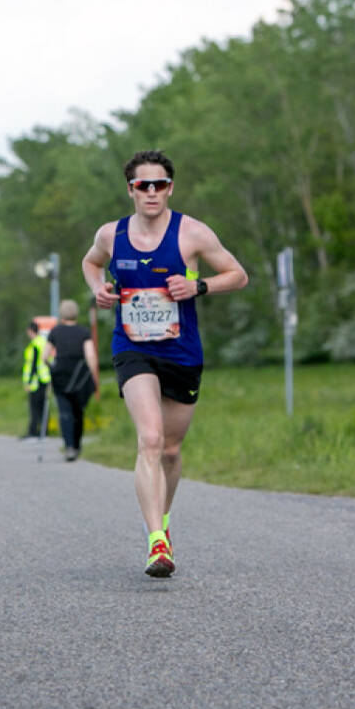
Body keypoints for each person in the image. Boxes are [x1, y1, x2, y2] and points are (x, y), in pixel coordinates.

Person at [81, 150, 248, 577]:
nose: (151, 192)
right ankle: (156, 542)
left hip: (182, 352)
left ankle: (164, 522)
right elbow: (90, 262)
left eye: (159, 185)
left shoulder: (191, 232)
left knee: (171, 451)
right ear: (131, 190)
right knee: (150, 439)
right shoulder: (111, 235)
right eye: (143, 185)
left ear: (170, 188)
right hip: (132, 347)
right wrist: (98, 289)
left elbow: (238, 274)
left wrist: (199, 286)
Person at [46, 299, 100, 462]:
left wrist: (52, 367)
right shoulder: (83, 332)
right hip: (79, 376)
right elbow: (90, 355)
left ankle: (69, 446)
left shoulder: (55, 332)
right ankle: (77, 445)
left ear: (61, 313)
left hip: (61, 374)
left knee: (65, 412)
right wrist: (94, 377)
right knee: (78, 411)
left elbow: (44, 355)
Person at [19, 320, 51, 440]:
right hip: (45, 378)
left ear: (30, 331)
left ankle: (33, 431)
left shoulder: (35, 344)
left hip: (36, 380)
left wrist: (28, 382)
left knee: (34, 407)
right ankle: (44, 431)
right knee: (43, 407)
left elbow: (33, 364)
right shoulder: (44, 342)